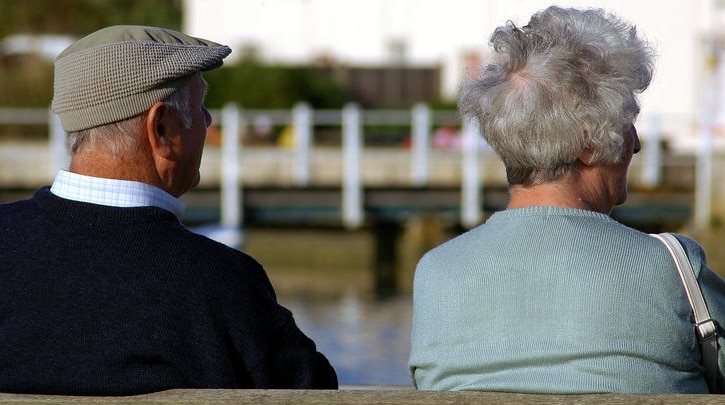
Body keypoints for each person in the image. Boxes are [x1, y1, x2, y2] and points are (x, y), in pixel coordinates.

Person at [0, 25, 337, 395]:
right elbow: (315, 395)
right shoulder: (222, 283)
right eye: (201, 107)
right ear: (161, 128)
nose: (208, 122)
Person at [409, 6, 725, 394]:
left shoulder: (435, 273)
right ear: (589, 144)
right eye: (627, 124)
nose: (637, 144)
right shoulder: (672, 269)